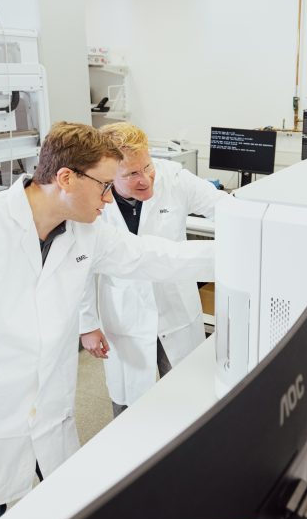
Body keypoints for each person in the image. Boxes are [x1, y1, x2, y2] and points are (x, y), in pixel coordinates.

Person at [0, 122, 214, 519]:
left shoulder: (83, 230)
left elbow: (154, 257)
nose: (108, 198)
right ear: (65, 178)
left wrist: (241, 252)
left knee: (63, 510)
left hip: (47, 408)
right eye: (103, 186)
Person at [79, 123, 227, 417]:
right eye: (132, 174)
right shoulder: (92, 199)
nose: (146, 178)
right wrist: (87, 324)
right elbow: (81, 264)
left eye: (147, 166)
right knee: (127, 402)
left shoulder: (173, 178)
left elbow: (227, 210)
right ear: (108, 172)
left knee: (190, 398)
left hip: (176, 306)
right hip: (125, 313)